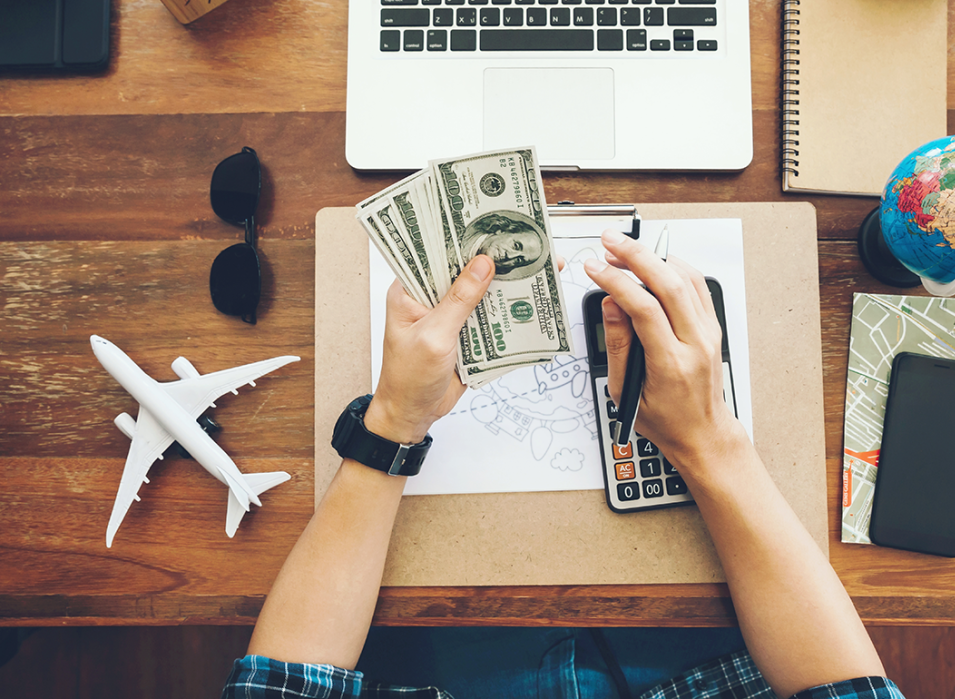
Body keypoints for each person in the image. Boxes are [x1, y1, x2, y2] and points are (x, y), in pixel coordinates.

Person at [222, 230, 905, 699]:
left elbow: (283, 682)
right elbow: (848, 688)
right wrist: (708, 443)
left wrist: (394, 424)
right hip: (720, 639)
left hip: (427, 650)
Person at [458, 212, 548, 281]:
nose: (510, 256)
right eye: (515, 246)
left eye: (519, 260)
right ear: (502, 230)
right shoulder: (462, 235)